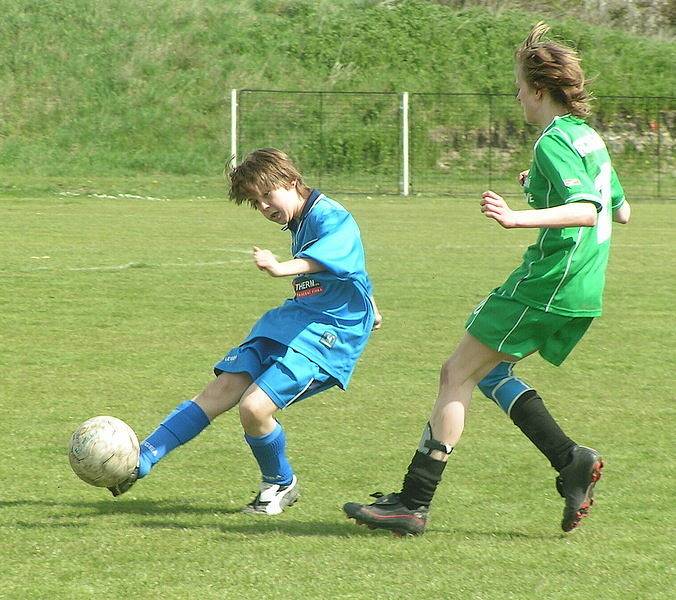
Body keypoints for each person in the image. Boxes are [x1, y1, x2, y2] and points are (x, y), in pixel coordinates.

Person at [343, 22, 631, 536]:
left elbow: (587, 210)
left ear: (540, 90)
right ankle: (571, 462)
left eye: (520, 87)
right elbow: (620, 209)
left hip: (548, 281)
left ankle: (412, 502)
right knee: (490, 373)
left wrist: (517, 216)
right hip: (581, 285)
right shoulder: (589, 137)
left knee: (456, 373)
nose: (517, 96)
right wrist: (540, 187)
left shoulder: (553, 141)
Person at [109, 147, 382, 515]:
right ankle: (143, 458)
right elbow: (353, 268)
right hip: (296, 319)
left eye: (268, 195)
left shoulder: (331, 215)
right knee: (223, 387)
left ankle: (280, 484)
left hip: (329, 333)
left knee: (254, 408)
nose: (266, 207)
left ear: (291, 181)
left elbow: (335, 254)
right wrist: (371, 303)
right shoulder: (300, 219)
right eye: (256, 202)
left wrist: (280, 267)